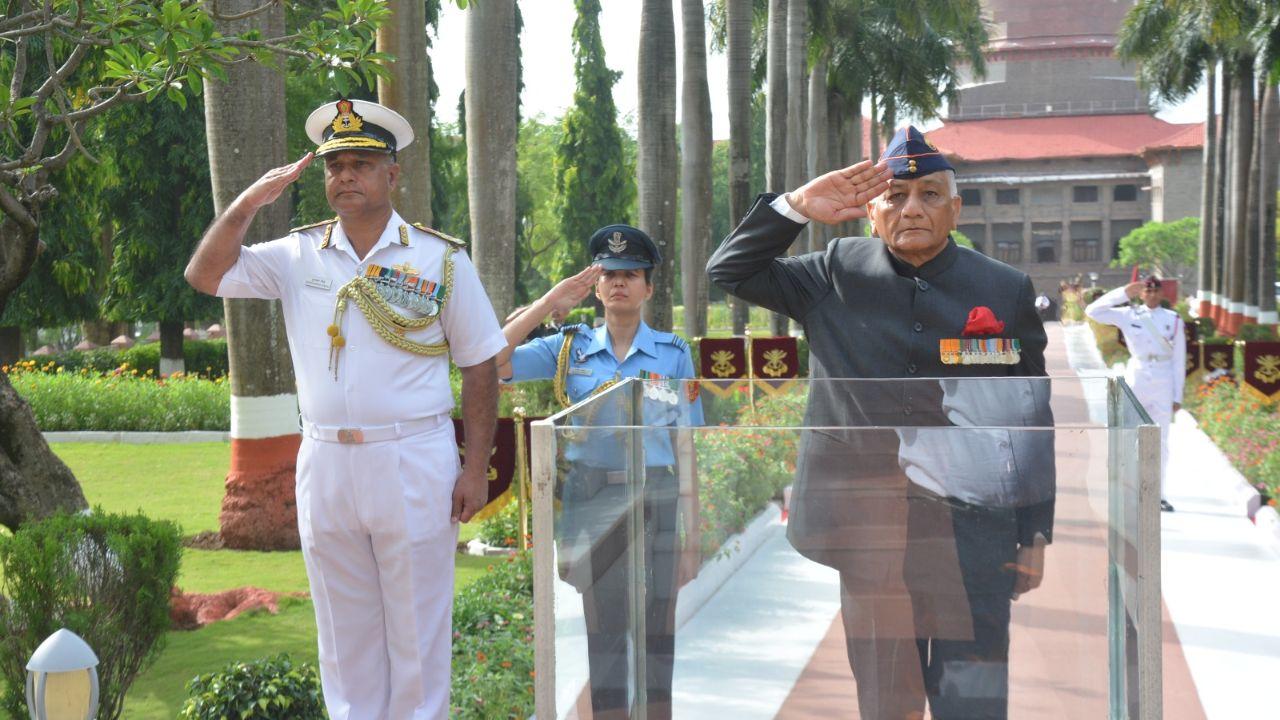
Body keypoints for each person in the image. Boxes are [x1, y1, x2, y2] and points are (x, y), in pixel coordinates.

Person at [707, 125, 1053, 719]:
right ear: (871, 210)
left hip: (973, 528)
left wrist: (1035, 532)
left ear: (955, 208)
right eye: (895, 195)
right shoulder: (832, 272)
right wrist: (796, 207)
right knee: (885, 701)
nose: (911, 208)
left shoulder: (1004, 289)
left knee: (973, 697)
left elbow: (1028, 419)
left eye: (929, 195)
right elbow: (730, 271)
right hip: (868, 528)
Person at [185, 98, 506, 719]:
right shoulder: (297, 253)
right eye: (335, 166)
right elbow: (205, 274)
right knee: (342, 636)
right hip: (327, 460)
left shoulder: (438, 259)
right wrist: (248, 205)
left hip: (412, 456)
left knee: (417, 634)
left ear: (394, 174)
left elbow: (479, 365)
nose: (346, 177)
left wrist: (475, 468)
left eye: (361, 163)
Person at [495, 225, 702, 720]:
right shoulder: (569, 347)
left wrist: (693, 529)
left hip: (658, 494)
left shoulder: (673, 353)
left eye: (630, 274)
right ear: (594, 285)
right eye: (608, 274)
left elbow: (687, 441)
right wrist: (549, 302)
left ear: (648, 288)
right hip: (594, 497)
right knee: (604, 626)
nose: (618, 283)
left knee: (658, 625)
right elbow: (493, 359)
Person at [1085, 275, 1184, 512]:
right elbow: (1092, 311)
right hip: (1138, 376)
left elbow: (1179, 360)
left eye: (1155, 291)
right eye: (1146, 291)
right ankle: (1128, 491)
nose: (1151, 294)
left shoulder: (1174, 320)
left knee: (1160, 439)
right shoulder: (1129, 315)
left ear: (1161, 293)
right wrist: (1123, 293)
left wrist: (1177, 396)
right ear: (1141, 293)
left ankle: (1158, 494)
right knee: (1130, 435)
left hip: (1163, 380)